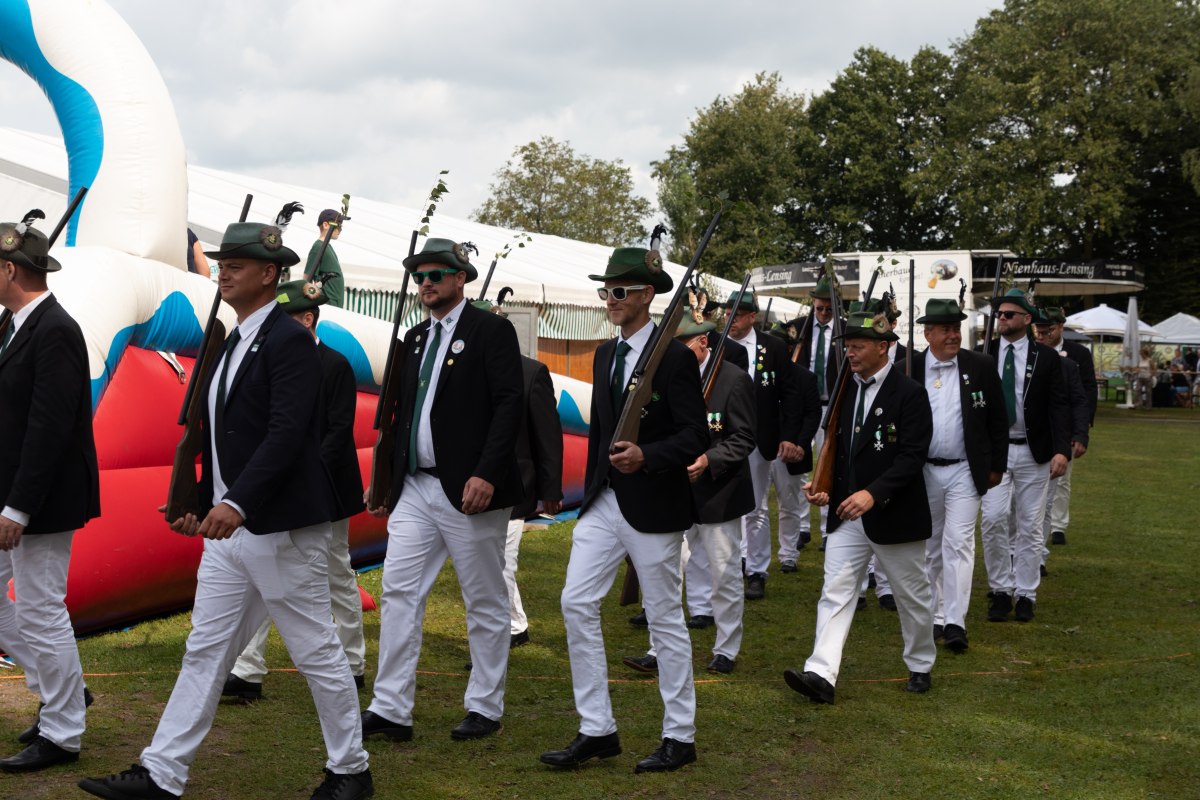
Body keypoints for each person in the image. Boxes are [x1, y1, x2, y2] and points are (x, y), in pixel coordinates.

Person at [79, 219, 372, 799]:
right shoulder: (234, 340)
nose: (223, 272)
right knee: (206, 650)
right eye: (221, 263)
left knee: (316, 649)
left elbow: (289, 434)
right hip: (233, 532)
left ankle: (351, 770)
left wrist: (236, 501)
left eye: (236, 265)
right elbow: (219, 438)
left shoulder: (289, 342)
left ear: (270, 273)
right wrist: (201, 497)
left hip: (279, 526)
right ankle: (161, 772)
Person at [540, 247, 707, 773]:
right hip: (604, 499)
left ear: (646, 295)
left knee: (664, 619)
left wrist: (647, 456)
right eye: (605, 291)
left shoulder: (675, 358)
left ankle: (680, 735)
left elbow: (695, 435)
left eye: (619, 291)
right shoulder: (605, 354)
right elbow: (601, 432)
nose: (609, 300)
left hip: (654, 502)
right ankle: (597, 728)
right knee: (575, 602)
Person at [362, 238, 524, 743]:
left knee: (484, 598)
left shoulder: (490, 330)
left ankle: (485, 705)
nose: (426, 283)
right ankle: (391, 707)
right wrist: (387, 479)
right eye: (420, 276)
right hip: (416, 485)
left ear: (460, 278)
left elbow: (509, 404)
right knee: (398, 590)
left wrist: (487, 472)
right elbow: (401, 415)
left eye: (436, 275)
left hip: (469, 487)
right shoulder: (413, 338)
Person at [222, 279, 368, 700]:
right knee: (259, 573)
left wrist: (299, 477)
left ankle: (352, 661)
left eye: (284, 318)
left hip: (324, 490)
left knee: (336, 574)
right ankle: (248, 670)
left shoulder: (334, 365)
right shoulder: (266, 359)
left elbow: (337, 433)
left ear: (307, 319)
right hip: (272, 487)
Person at [783, 309, 935, 705]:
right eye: (847, 346)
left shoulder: (910, 393)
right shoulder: (844, 390)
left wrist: (873, 493)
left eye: (857, 346)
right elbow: (840, 451)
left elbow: (912, 456)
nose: (849, 353)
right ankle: (821, 672)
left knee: (912, 595)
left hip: (893, 512)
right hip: (847, 514)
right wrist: (825, 488)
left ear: (883, 347)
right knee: (835, 590)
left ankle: (920, 662)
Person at [0, 216, 99, 773]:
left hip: (40, 499)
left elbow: (49, 427)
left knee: (40, 609)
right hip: (13, 493)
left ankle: (62, 731)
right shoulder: (17, 326)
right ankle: (63, 690)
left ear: (9, 269)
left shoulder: (55, 329)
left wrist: (18, 507)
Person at [625, 312, 757, 675]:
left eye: (680, 346)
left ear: (703, 343)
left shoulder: (734, 380)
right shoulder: (664, 376)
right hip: (672, 489)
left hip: (718, 492)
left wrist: (709, 459)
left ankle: (726, 648)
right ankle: (659, 646)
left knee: (724, 573)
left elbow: (744, 437)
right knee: (665, 572)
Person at [903, 298, 1008, 654]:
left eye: (956, 328)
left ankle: (955, 621)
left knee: (959, 543)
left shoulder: (981, 366)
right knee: (931, 546)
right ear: (928, 333)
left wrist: (997, 465)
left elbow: (997, 419)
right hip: (924, 471)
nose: (953, 335)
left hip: (965, 468)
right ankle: (935, 614)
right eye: (945, 329)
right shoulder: (910, 368)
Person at [978, 289, 1069, 624]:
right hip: (995, 452)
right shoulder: (983, 353)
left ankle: (1026, 593)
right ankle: (1000, 589)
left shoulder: (1046, 358)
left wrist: (1061, 450)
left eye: (1009, 314)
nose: (1002, 319)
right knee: (993, 519)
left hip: (1034, 451)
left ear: (1027, 318)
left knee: (1030, 525)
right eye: (999, 314)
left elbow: (1059, 405)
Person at [716, 290, 801, 600]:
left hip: (759, 436)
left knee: (756, 506)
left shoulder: (773, 347)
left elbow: (789, 394)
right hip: (721, 436)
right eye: (727, 313)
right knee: (722, 505)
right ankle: (729, 562)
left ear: (753, 317)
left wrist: (789, 435)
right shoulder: (715, 344)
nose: (731, 319)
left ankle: (756, 570)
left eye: (737, 315)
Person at [500, 318, 564, 651]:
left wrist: (550, 490)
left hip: (515, 486)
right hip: (471, 489)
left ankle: (511, 627)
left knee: (501, 564)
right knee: (487, 566)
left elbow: (547, 436)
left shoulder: (531, 372)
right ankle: (512, 624)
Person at [1033, 307, 1095, 546]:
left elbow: (1087, 391)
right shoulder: (1031, 350)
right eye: (1039, 331)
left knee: (1062, 479)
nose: (1043, 336)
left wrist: (1082, 430)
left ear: (1060, 327)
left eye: (1048, 331)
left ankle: (1058, 525)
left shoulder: (1078, 354)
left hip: (1065, 425)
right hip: (1037, 424)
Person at [794, 277, 841, 546]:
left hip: (830, 405)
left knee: (827, 465)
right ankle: (802, 527)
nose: (823, 313)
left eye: (828, 309)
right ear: (813, 304)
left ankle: (826, 528)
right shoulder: (799, 328)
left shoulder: (843, 331)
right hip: (803, 407)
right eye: (819, 308)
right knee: (799, 466)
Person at [304, 209, 346, 308]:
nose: (340, 230)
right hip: (326, 306)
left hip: (333, 306)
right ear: (326, 225)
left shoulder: (327, 247)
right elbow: (306, 279)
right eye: (338, 225)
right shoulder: (318, 247)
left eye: (341, 226)